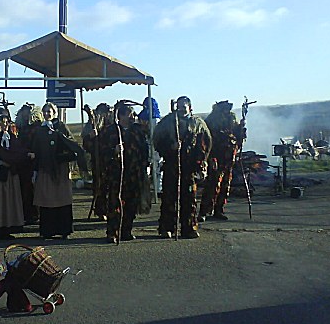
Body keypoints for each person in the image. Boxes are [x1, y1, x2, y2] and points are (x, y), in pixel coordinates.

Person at [153, 96, 212, 239]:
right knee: (169, 198)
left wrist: (202, 161)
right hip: (172, 165)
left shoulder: (198, 123)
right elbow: (157, 141)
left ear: (190, 107)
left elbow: (206, 144)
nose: (181, 109)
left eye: (183, 107)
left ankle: (189, 228)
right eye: (178, 106)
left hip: (190, 168)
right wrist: (170, 147)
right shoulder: (167, 122)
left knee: (189, 199)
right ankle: (167, 228)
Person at [97, 103, 151, 243]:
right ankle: (113, 232)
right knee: (115, 202)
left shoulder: (138, 131)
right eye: (129, 114)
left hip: (134, 172)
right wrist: (113, 151)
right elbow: (100, 151)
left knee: (132, 203)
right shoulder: (110, 131)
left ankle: (126, 230)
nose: (133, 117)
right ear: (121, 116)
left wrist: (145, 165)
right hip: (116, 173)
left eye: (133, 114)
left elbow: (144, 149)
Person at [30, 102, 81, 240]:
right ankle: (48, 231)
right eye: (45, 111)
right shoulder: (40, 130)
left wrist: (62, 157)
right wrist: (35, 170)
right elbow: (36, 150)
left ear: (54, 113)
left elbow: (71, 143)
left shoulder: (61, 127)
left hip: (60, 169)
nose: (47, 114)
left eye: (49, 111)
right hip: (45, 169)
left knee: (62, 199)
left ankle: (64, 230)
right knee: (47, 200)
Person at [0, 113, 29, 241]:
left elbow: (19, 152)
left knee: (9, 201)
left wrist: (10, 160)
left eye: (6, 122)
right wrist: (1, 159)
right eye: (2, 122)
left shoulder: (12, 137)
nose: (4, 125)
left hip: (10, 173)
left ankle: (7, 229)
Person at [199, 100, 245, 221]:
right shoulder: (212, 121)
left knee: (225, 184)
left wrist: (241, 128)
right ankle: (204, 211)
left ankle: (219, 209)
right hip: (216, 156)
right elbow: (207, 141)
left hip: (228, 157)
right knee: (213, 184)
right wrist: (209, 158)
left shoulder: (231, 118)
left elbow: (237, 135)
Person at [81, 103, 113, 220]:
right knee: (100, 187)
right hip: (99, 161)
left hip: (112, 160)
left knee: (112, 186)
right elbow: (87, 145)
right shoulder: (94, 125)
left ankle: (112, 209)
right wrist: (91, 137)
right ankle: (101, 210)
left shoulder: (112, 125)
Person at [14, 103, 43, 225]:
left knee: (33, 188)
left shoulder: (37, 127)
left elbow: (38, 143)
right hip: (22, 162)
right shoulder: (19, 128)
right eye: (24, 111)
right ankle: (26, 214)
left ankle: (34, 214)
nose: (26, 114)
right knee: (24, 189)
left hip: (33, 160)